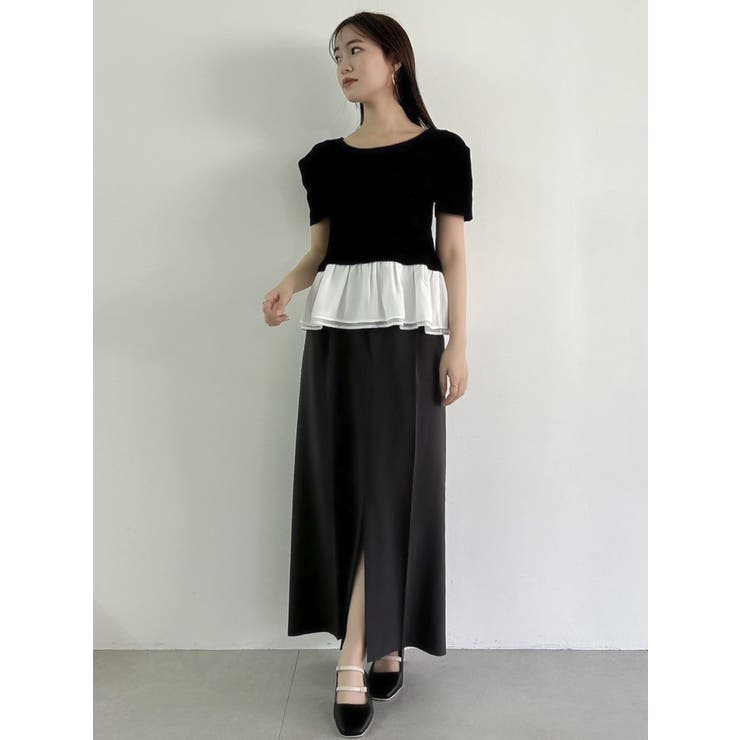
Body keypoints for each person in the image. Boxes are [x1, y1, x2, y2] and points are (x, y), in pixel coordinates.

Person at [262, 12, 473, 737]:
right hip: (337, 336)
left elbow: (453, 253)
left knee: (391, 487)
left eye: (356, 49)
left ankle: (353, 655)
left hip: (411, 337)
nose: (344, 64)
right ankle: (383, 642)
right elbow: (320, 251)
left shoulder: (443, 150)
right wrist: (288, 284)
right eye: (336, 55)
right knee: (349, 484)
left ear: (395, 59)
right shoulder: (323, 160)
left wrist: (460, 343)